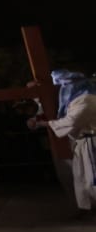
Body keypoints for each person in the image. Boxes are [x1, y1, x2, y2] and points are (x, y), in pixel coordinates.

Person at [37, 70, 96, 217]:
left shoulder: (87, 99)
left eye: (66, 84)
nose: (63, 88)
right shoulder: (76, 99)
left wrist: (47, 124)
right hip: (82, 144)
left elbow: (71, 121)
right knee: (82, 178)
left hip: (92, 143)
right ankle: (87, 208)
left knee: (91, 178)